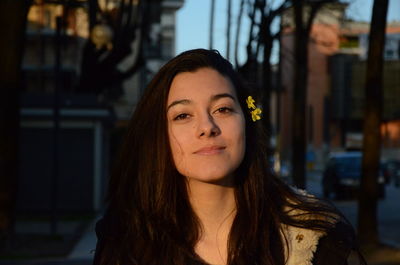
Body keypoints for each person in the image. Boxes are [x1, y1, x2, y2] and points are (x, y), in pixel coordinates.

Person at [92, 49, 366, 265]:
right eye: (183, 115)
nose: (207, 127)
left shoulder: (314, 236)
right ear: (158, 136)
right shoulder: (126, 240)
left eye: (222, 109)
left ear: (246, 120)